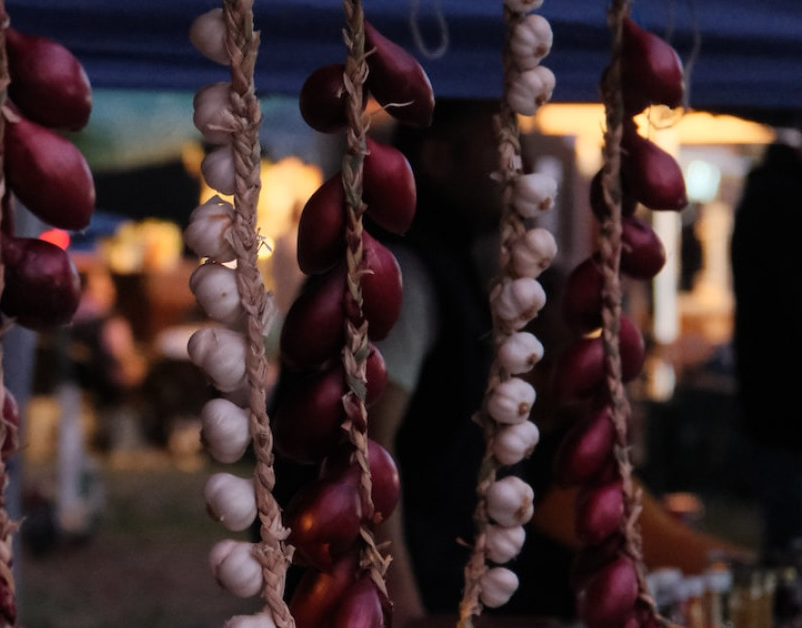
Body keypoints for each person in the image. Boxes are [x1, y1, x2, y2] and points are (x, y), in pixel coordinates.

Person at [282, 99, 752, 626]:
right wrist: (406, 612)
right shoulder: (401, 276)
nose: (523, 164)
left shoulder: (444, 268)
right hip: (387, 594)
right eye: (504, 147)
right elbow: (365, 450)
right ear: (441, 158)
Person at [730, 133, 802, 565]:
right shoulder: (782, 204)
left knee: (785, 527)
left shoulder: (762, 198)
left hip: (768, 397)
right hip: (784, 398)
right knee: (789, 534)